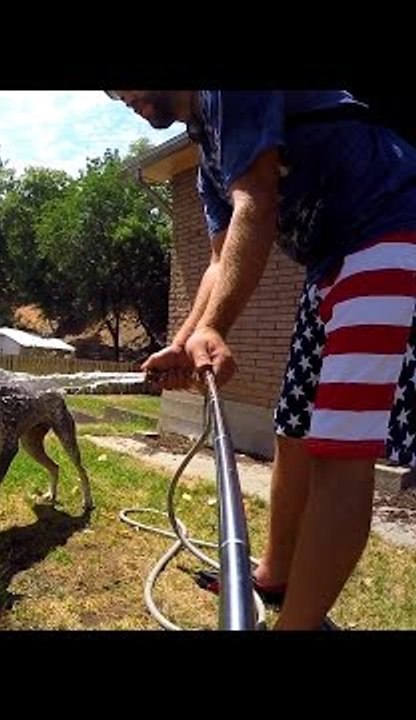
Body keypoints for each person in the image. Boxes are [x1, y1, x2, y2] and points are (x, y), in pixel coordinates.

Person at [108, 90, 416, 630]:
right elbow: (220, 257)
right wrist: (186, 339)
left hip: (391, 232)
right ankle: (274, 574)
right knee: (292, 428)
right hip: (327, 264)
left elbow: (258, 200)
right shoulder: (207, 153)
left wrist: (216, 327)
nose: (119, 96)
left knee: (339, 454)